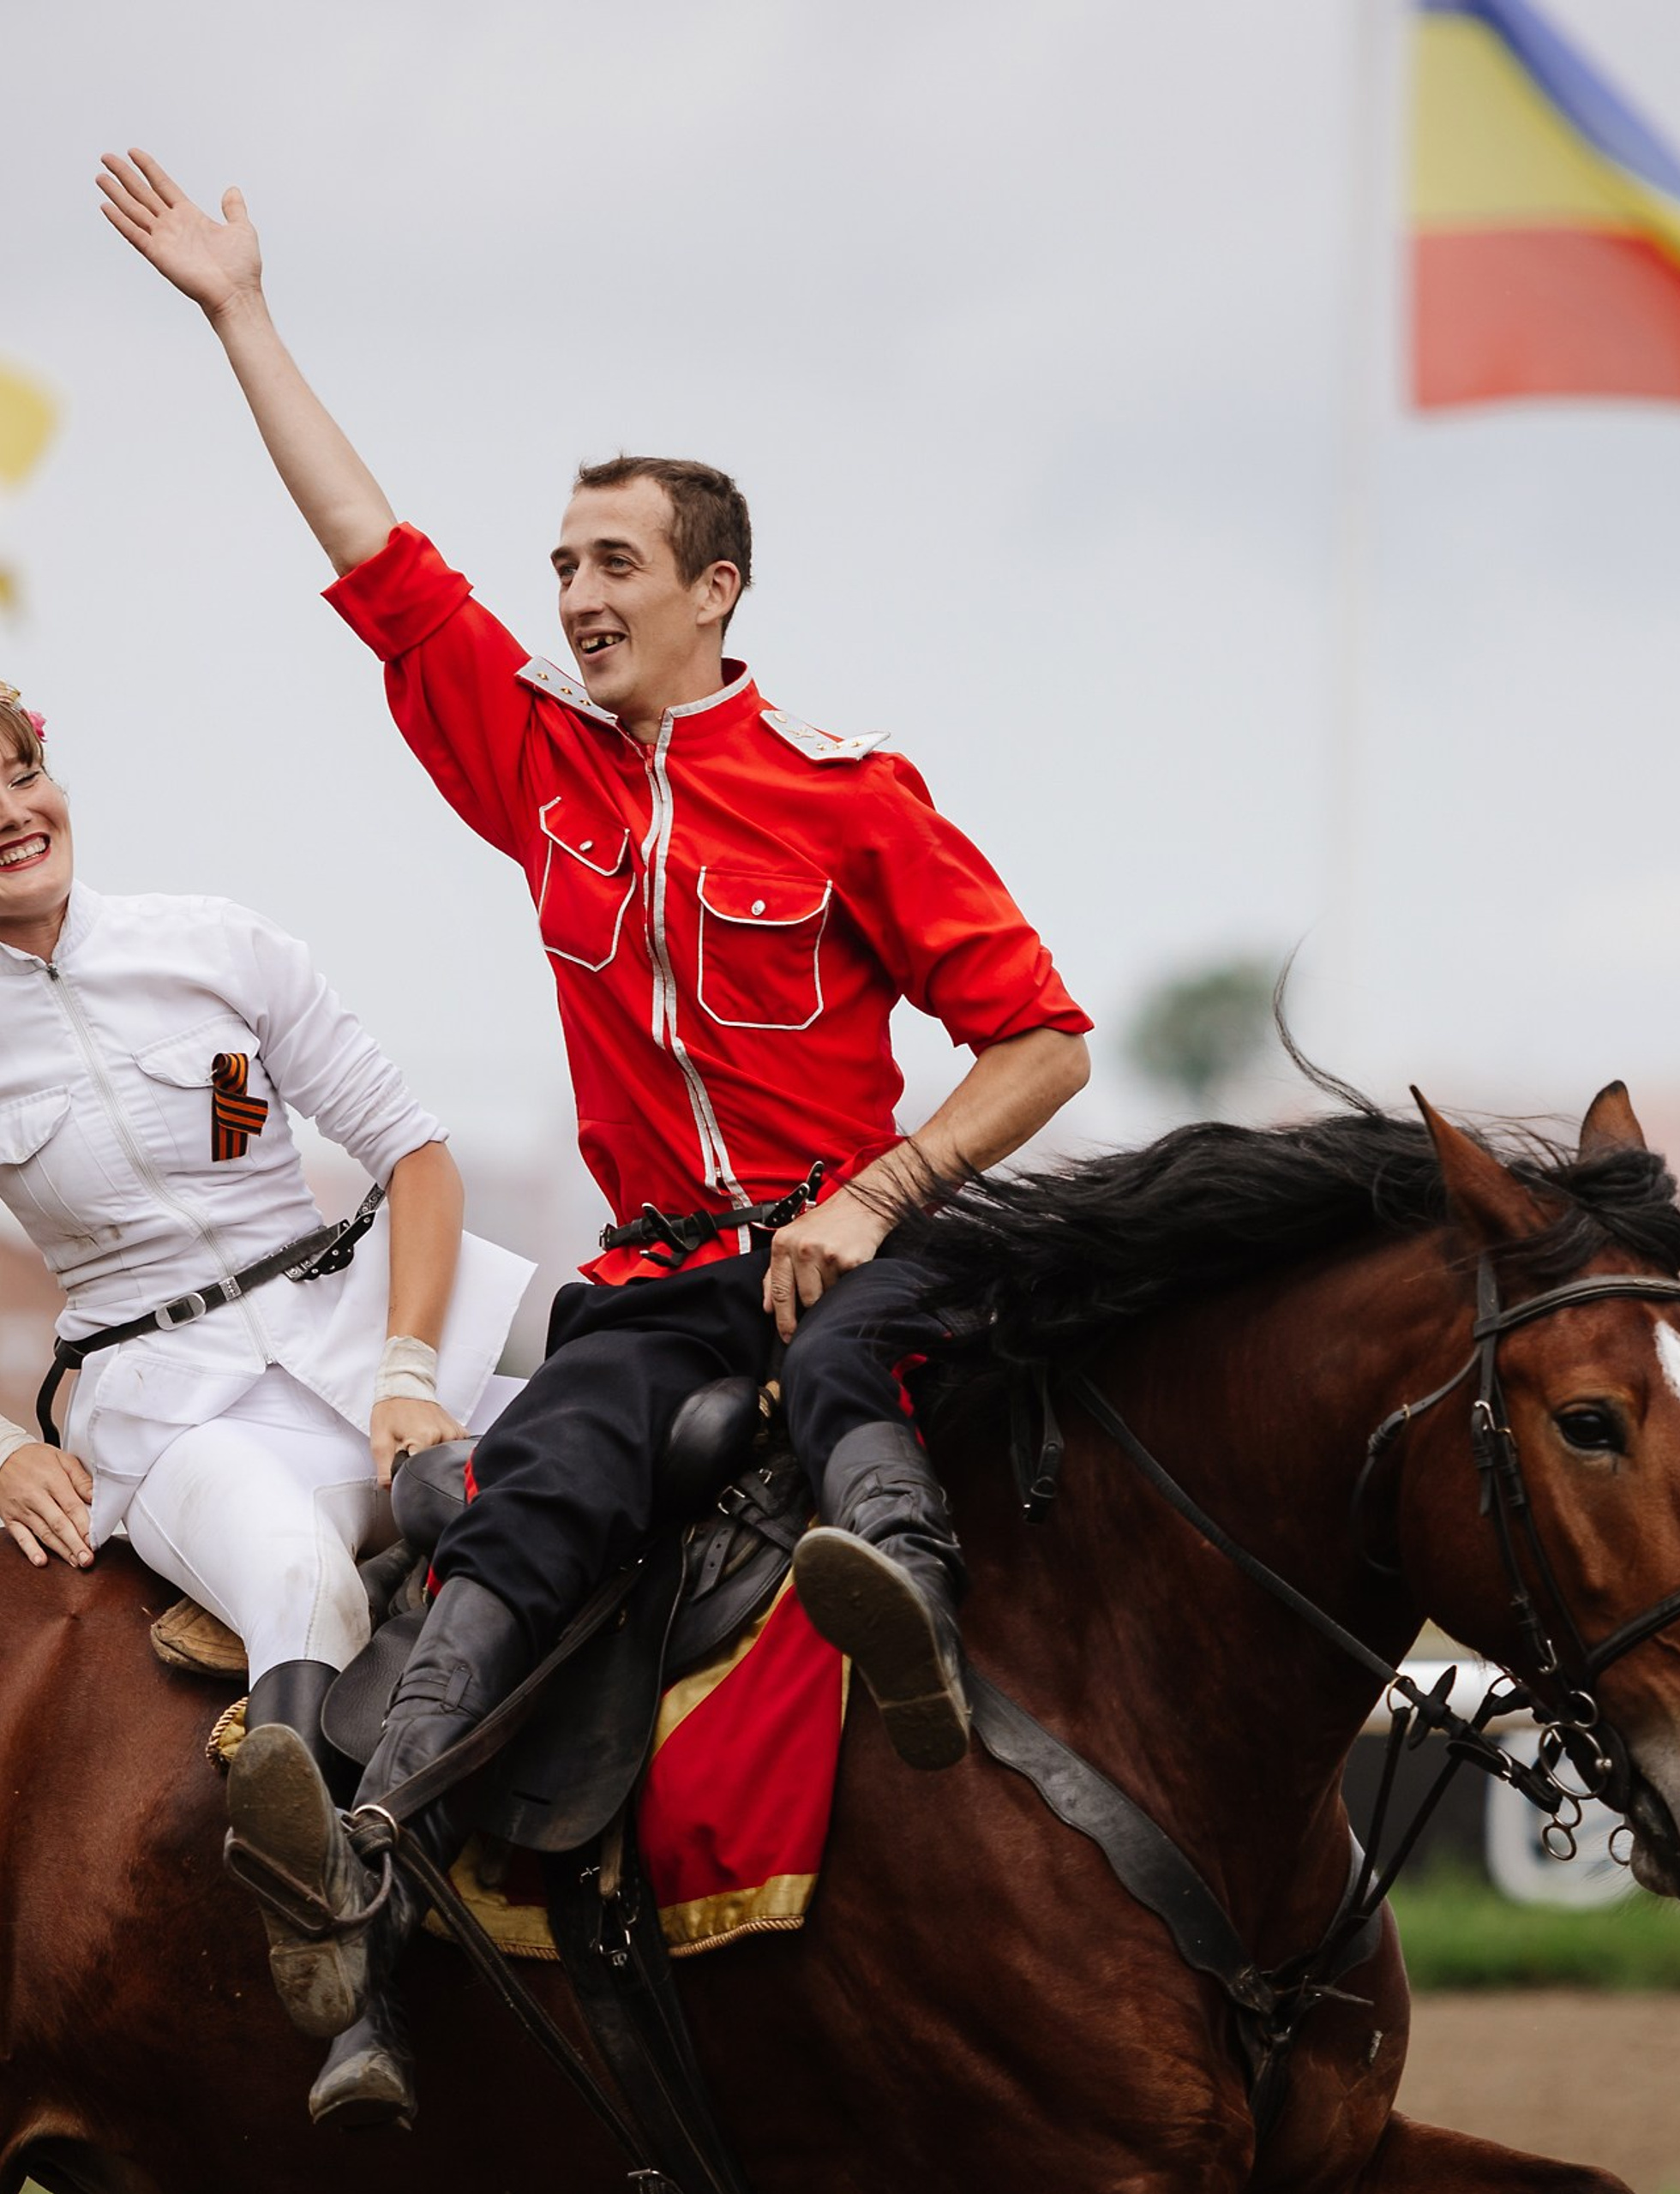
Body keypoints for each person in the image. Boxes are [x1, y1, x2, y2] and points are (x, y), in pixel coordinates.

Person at [102, 150, 1092, 2128]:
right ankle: (367, 1835)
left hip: (850, 1244)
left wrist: (880, 1189)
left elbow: (1041, 1041)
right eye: (560, 567)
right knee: (538, 1473)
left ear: (711, 590)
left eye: (610, 566)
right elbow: (384, 569)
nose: (572, 596)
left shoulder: (846, 800)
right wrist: (240, 317)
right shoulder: (540, 773)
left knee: (843, 1338)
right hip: (654, 1278)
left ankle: (890, 1597)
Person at [0, 679, 530, 1778]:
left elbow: (416, 1157)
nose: (12, 813)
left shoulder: (215, 945)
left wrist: (408, 1365)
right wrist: (1, 1453)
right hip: (169, 1417)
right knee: (300, 1572)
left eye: (22, 777)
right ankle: (324, 1908)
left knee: (609, 1447)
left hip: (359, 1347)